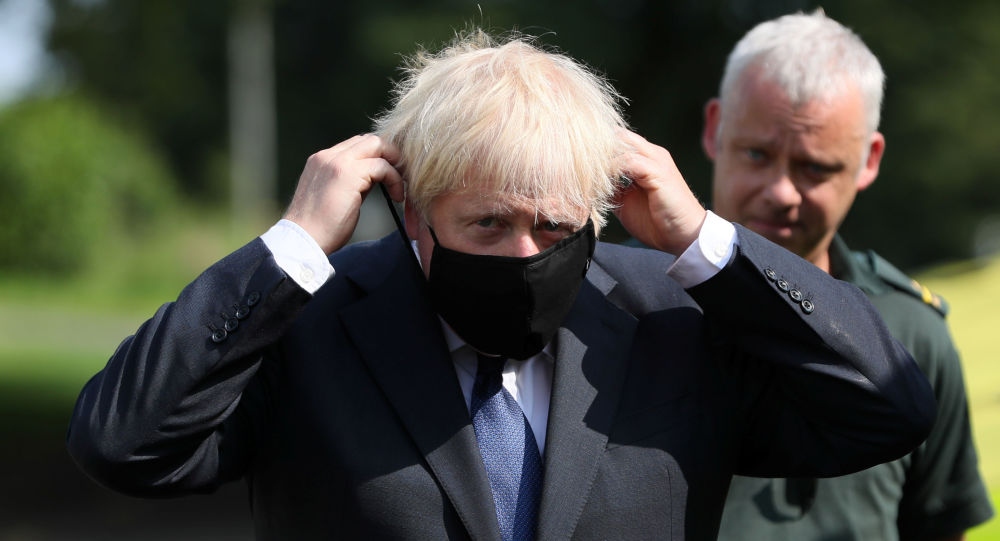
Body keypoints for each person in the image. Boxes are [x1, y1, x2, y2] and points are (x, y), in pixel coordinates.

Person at [68, 28, 935, 540]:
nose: (525, 255)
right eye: (488, 223)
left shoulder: (674, 319)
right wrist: (292, 245)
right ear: (414, 212)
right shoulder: (313, 323)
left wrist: (702, 238)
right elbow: (123, 443)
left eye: (554, 227)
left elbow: (888, 406)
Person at [701, 11, 994, 541]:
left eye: (815, 167)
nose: (781, 191)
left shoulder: (911, 337)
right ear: (714, 129)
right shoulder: (619, 306)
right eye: (756, 154)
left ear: (869, 159)